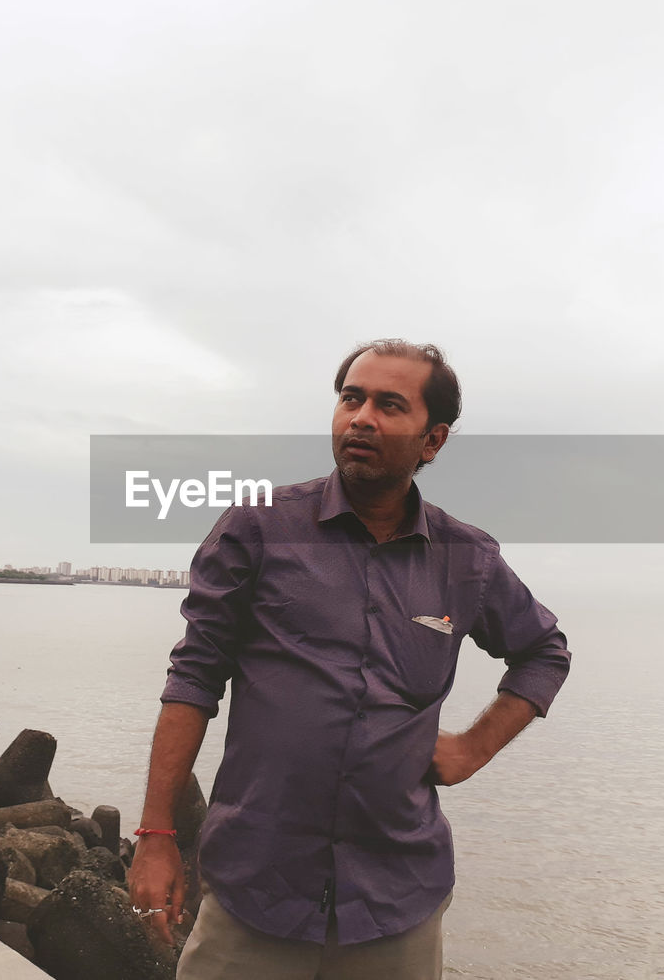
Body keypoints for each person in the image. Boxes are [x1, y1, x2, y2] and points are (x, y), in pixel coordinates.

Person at [127, 339, 571, 980]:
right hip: (255, 889)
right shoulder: (258, 529)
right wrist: (157, 837)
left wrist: (474, 747)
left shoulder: (465, 558)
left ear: (432, 441)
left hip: (396, 901)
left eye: (390, 405)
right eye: (350, 398)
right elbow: (193, 679)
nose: (361, 417)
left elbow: (543, 652)